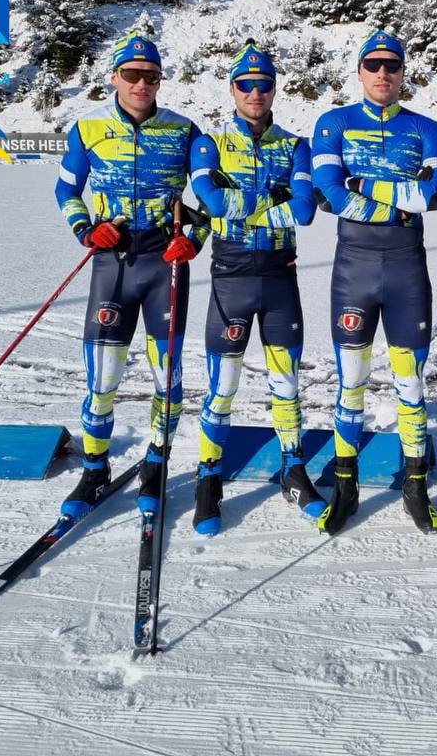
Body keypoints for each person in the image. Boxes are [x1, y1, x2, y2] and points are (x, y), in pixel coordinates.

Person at [55, 33, 207, 520]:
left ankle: (156, 465)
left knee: (168, 378)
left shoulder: (184, 131)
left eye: (151, 76)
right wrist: (86, 229)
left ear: (160, 81)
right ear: (114, 77)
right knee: (102, 379)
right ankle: (95, 469)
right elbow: (66, 190)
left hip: (165, 262)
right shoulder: (88, 127)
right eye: (132, 74)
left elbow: (212, 197)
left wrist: (195, 238)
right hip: (113, 261)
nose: (142, 83)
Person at [310, 31, 437, 535]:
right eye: (373, 64)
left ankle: (416, 484)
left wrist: (365, 185)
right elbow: (329, 192)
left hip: (407, 270)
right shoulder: (334, 124)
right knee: (351, 382)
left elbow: (433, 196)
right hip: (355, 268)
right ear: (360, 71)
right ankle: (344, 485)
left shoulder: (427, 128)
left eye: (392, 64)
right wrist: (397, 203)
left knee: (410, 383)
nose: (383, 72)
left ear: (403, 71)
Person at [187, 42, 322, 535]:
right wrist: (272, 198)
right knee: (222, 387)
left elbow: (303, 211)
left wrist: (241, 200)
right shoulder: (210, 143)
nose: (255, 92)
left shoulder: (295, 146)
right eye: (246, 84)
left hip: (280, 277)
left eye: (264, 84)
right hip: (232, 277)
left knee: (286, 384)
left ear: (274, 89)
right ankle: (208, 478)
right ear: (232, 89)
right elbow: (211, 201)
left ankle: (293, 470)